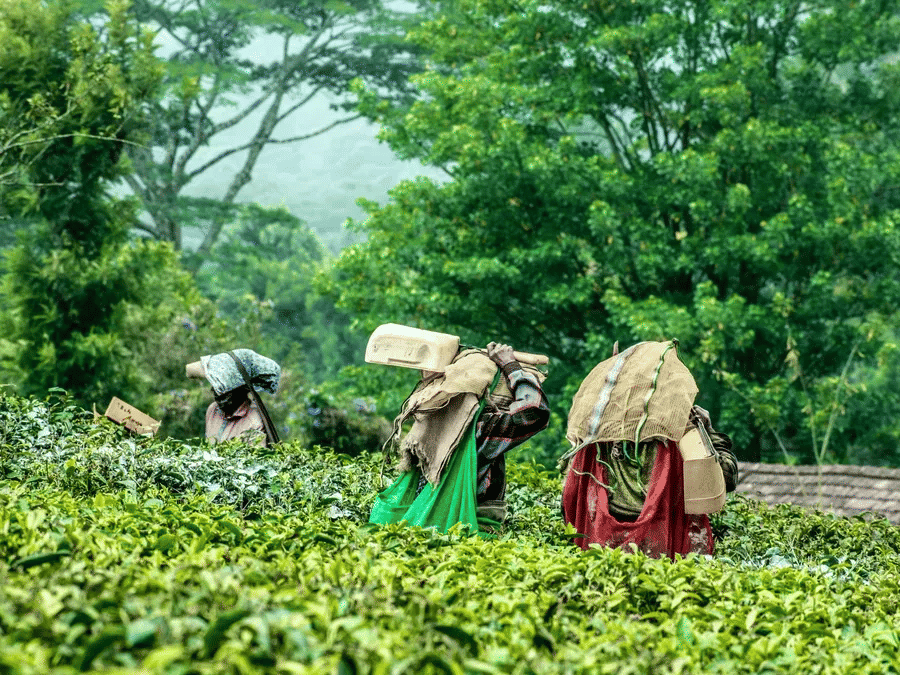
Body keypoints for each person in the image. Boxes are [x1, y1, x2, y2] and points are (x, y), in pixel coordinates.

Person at [560, 340, 738, 558]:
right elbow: (723, 480)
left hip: (603, 543)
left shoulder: (596, 433)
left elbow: (570, 493)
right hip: (659, 544)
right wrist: (708, 433)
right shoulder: (677, 430)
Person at [370, 342, 550, 533]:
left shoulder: (425, 421)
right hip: (467, 529)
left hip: (419, 524)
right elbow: (534, 413)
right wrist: (510, 366)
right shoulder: (480, 429)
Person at [185, 348, 280, 446]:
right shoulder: (213, 410)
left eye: (224, 388)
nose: (216, 392)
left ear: (243, 389)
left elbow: (252, 459)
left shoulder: (254, 422)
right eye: (215, 386)